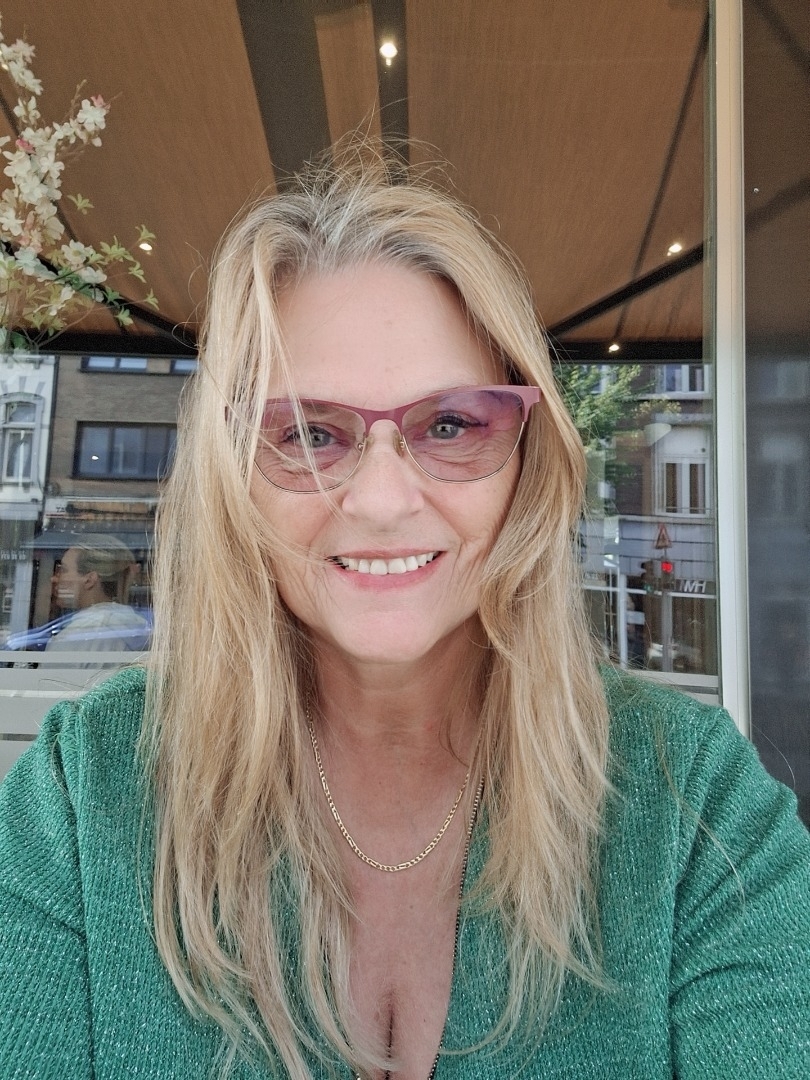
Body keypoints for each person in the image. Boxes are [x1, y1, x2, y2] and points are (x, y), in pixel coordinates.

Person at [0, 149, 808, 1080]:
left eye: (451, 425)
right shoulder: (79, 799)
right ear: (230, 477)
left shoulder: (694, 804)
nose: (382, 500)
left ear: (528, 460)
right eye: (308, 432)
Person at [44, 535, 151, 655]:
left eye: (63, 570)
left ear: (90, 580)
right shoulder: (139, 628)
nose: (54, 578)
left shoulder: (76, 636)